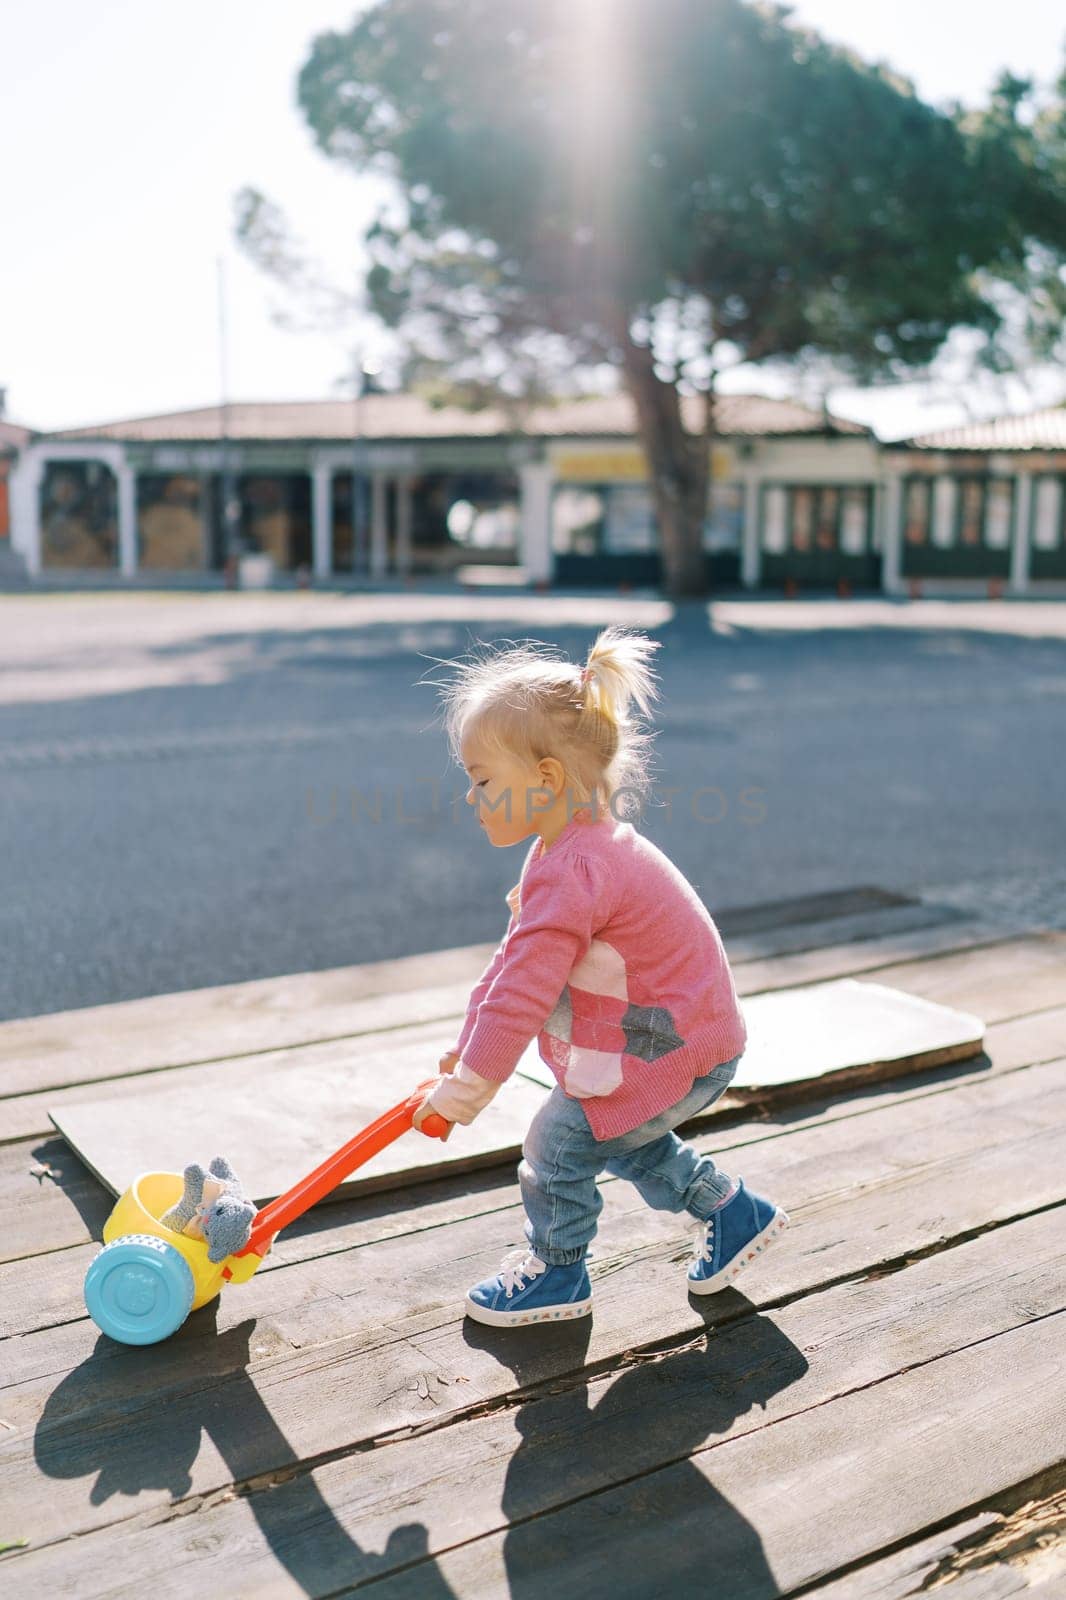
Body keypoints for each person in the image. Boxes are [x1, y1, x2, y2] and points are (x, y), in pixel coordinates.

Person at [414, 624, 789, 1326]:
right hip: (675, 1036)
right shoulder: (568, 850)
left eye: (483, 780)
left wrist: (467, 1092)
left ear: (547, 779)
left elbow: (523, 996)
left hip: (670, 1046)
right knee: (619, 1134)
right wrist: (467, 1055)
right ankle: (733, 1212)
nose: (472, 797)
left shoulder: (576, 868)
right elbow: (510, 967)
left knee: (556, 1145)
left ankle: (558, 1273)